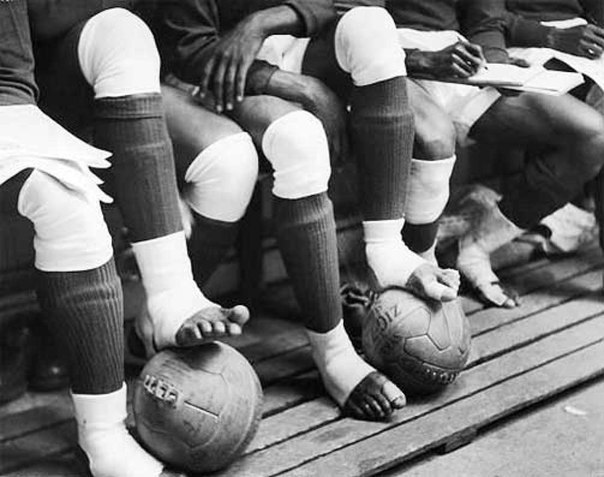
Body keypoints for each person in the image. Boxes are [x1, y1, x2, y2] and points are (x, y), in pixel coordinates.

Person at [144, 0, 464, 419]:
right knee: (300, 137)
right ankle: (333, 354)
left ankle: (385, 247)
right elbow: (188, 48)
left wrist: (262, 21)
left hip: (292, 45)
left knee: (371, 23)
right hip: (212, 71)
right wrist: (304, 88)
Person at [0, 2, 181, 475]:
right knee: (60, 196)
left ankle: (104, 436)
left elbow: (11, 72)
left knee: (69, 195)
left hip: (9, 98)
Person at [26, 0, 249, 359]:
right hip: (34, 86)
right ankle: (62, 333)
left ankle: (158, 320)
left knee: (230, 159)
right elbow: (42, 16)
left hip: (129, 81)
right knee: (122, 31)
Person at [382, 0, 604, 307]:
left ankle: (473, 248)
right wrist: (420, 58)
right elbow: (349, 25)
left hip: (459, 57)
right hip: (389, 60)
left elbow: (485, 20)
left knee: (593, 136)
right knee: (434, 140)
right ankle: (419, 274)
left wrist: (499, 64)